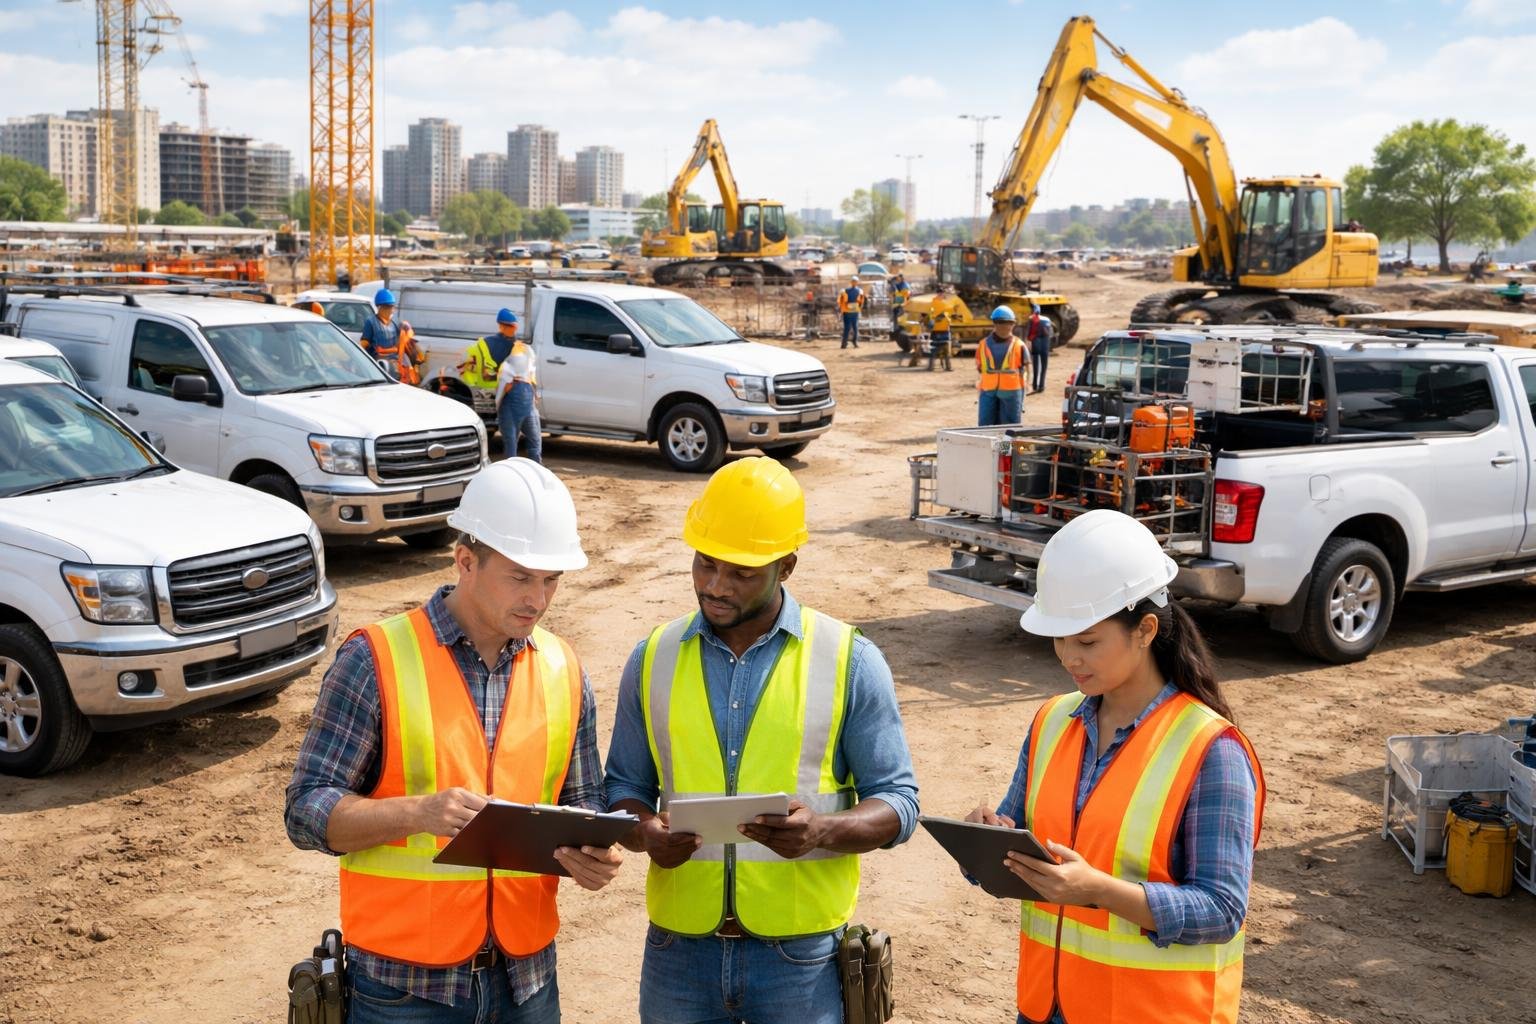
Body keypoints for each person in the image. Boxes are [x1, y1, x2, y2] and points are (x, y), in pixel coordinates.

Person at [284, 459, 624, 1023]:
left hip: (527, 980)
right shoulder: (375, 660)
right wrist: (418, 813)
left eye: (551, 580)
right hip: (404, 988)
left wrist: (594, 855)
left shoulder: (565, 669)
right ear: (465, 560)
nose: (538, 600)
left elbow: (586, 806)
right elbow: (305, 811)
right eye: (520, 576)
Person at [604, 457, 921, 1024]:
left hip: (800, 961)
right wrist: (644, 832)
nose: (715, 586)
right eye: (705, 563)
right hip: (679, 952)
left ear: (787, 566)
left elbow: (899, 803)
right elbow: (624, 787)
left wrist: (821, 830)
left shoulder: (849, 660)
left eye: (741, 573)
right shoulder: (652, 657)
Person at [964, 509, 1264, 1024]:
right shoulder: (1052, 722)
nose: (1067, 657)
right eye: (1059, 639)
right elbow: (1020, 836)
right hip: (1046, 1006)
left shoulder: (1210, 750)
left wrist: (1097, 890)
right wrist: (988, 843)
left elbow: (1221, 910)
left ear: (1145, 629)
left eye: (1087, 641)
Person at [494, 318, 541, 463]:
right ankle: (536, 468)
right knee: (533, 441)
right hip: (526, 399)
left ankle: (513, 472)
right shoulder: (526, 353)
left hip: (517, 400)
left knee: (511, 443)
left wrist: (497, 404)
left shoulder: (513, 357)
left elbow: (502, 386)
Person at [977, 305, 1028, 425]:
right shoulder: (983, 345)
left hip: (1008, 391)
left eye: (1006, 323)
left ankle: (1002, 445)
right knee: (987, 427)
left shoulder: (1019, 345)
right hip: (991, 390)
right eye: (1001, 323)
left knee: (1007, 429)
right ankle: (993, 445)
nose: (1004, 326)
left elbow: (1025, 369)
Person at [462, 308, 518, 409]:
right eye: (512, 326)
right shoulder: (510, 345)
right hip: (495, 389)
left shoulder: (488, 342)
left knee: (486, 417)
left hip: (484, 388)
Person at [920, 284, 960, 371]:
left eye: (942, 294)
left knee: (937, 350)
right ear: (939, 294)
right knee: (940, 350)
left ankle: (934, 367)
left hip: (940, 329)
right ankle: (944, 367)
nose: (942, 295)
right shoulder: (940, 304)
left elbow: (948, 313)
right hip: (939, 330)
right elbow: (949, 312)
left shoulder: (935, 303)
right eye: (941, 294)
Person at [360, 288, 401, 360]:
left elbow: (398, 345)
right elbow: (364, 343)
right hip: (377, 363)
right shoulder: (371, 322)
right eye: (388, 307)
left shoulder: (393, 324)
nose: (391, 310)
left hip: (393, 363)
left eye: (392, 307)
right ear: (379, 307)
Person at [1025, 305, 1054, 395]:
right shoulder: (1047, 320)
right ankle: (1041, 386)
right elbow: (1051, 334)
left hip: (1036, 346)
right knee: (1044, 367)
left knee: (1036, 367)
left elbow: (1028, 334)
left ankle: (1035, 386)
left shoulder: (1031, 319)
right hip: (1045, 346)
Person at [837, 276, 865, 349]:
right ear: (851, 282)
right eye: (853, 281)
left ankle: (852, 342)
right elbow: (840, 300)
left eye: (855, 281)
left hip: (853, 312)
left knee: (853, 328)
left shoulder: (858, 291)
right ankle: (845, 343)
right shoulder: (846, 290)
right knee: (848, 328)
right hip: (848, 312)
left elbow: (861, 302)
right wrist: (841, 309)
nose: (854, 282)